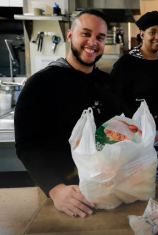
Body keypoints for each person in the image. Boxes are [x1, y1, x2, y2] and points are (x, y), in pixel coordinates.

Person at [14, 9, 122, 218]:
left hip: (106, 193)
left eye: (100, 37)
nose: (93, 42)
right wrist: (54, 188)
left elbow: (117, 135)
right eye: (86, 34)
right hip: (61, 197)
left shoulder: (109, 85)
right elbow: (26, 145)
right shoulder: (41, 84)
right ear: (70, 35)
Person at [111, 11, 158, 183]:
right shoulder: (127, 63)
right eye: (153, 32)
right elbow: (114, 98)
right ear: (142, 34)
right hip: (142, 137)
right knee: (146, 183)